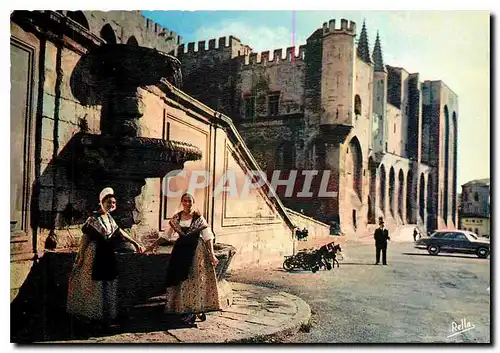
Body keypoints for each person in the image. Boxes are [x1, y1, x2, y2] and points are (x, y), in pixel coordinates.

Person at [66, 187, 145, 330]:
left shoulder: (109, 218)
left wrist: (135, 242)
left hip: (107, 253)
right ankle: (93, 316)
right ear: (102, 202)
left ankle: (105, 316)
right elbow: (85, 239)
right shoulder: (93, 219)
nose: (111, 205)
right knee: (94, 285)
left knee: (108, 283)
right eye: (108, 202)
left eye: (113, 203)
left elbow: (119, 232)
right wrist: (81, 256)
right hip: (95, 253)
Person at [147, 192, 221, 326]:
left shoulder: (199, 218)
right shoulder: (177, 217)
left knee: (195, 278)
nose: (187, 204)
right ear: (181, 202)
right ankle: (184, 308)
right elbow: (166, 235)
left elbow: (208, 237)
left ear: (193, 202)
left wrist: (212, 254)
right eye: (185, 201)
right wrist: (153, 245)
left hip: (196, 251)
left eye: (190, 201)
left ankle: (194, 309)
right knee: (180, 278)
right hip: (180, 251)